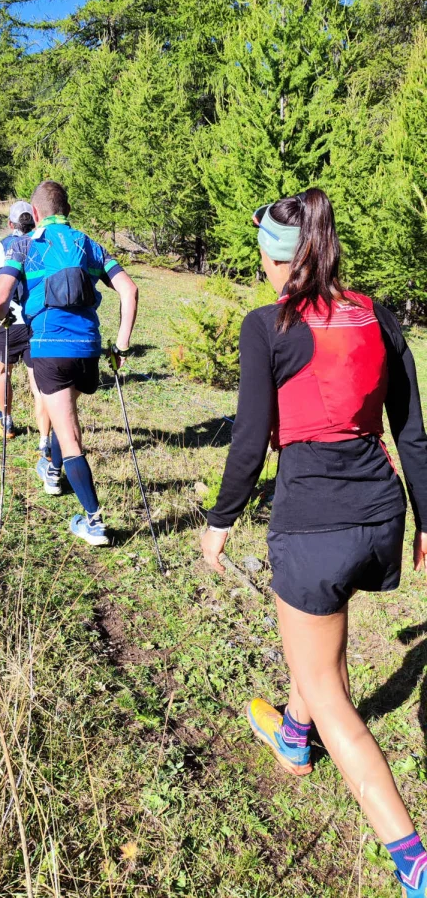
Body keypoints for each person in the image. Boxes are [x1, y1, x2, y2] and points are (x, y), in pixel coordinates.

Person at [201, 188, 427, 897]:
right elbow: (412, 432)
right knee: (313, 645)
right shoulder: (377, 314)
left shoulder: (265, 325)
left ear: (274, 260)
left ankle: (410, 855)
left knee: (331, 691)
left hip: (312, 526)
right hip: (381, 519)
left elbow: (248, 439)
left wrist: (220, 518)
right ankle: (293, 738)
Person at [0, 180, 139, 545]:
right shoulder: (89, 244)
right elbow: (129, 290)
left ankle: (94, 521)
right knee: (63, 417)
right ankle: (53, 469)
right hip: (88, 348)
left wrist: (1, 317)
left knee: (70, 435)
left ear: (35, 213)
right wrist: (120, 346)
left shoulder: (24, 246)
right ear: (66, 210)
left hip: (49, 346)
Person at [0, 200, 51, 451]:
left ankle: (6, 421)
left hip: (11, 321)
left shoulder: (0, 247)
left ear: (10, 224)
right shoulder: (45, 245)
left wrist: (0, 312)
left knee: (4, 372)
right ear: (35, 220)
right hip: (39, 321)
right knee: (37, 382)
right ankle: (44, 440)